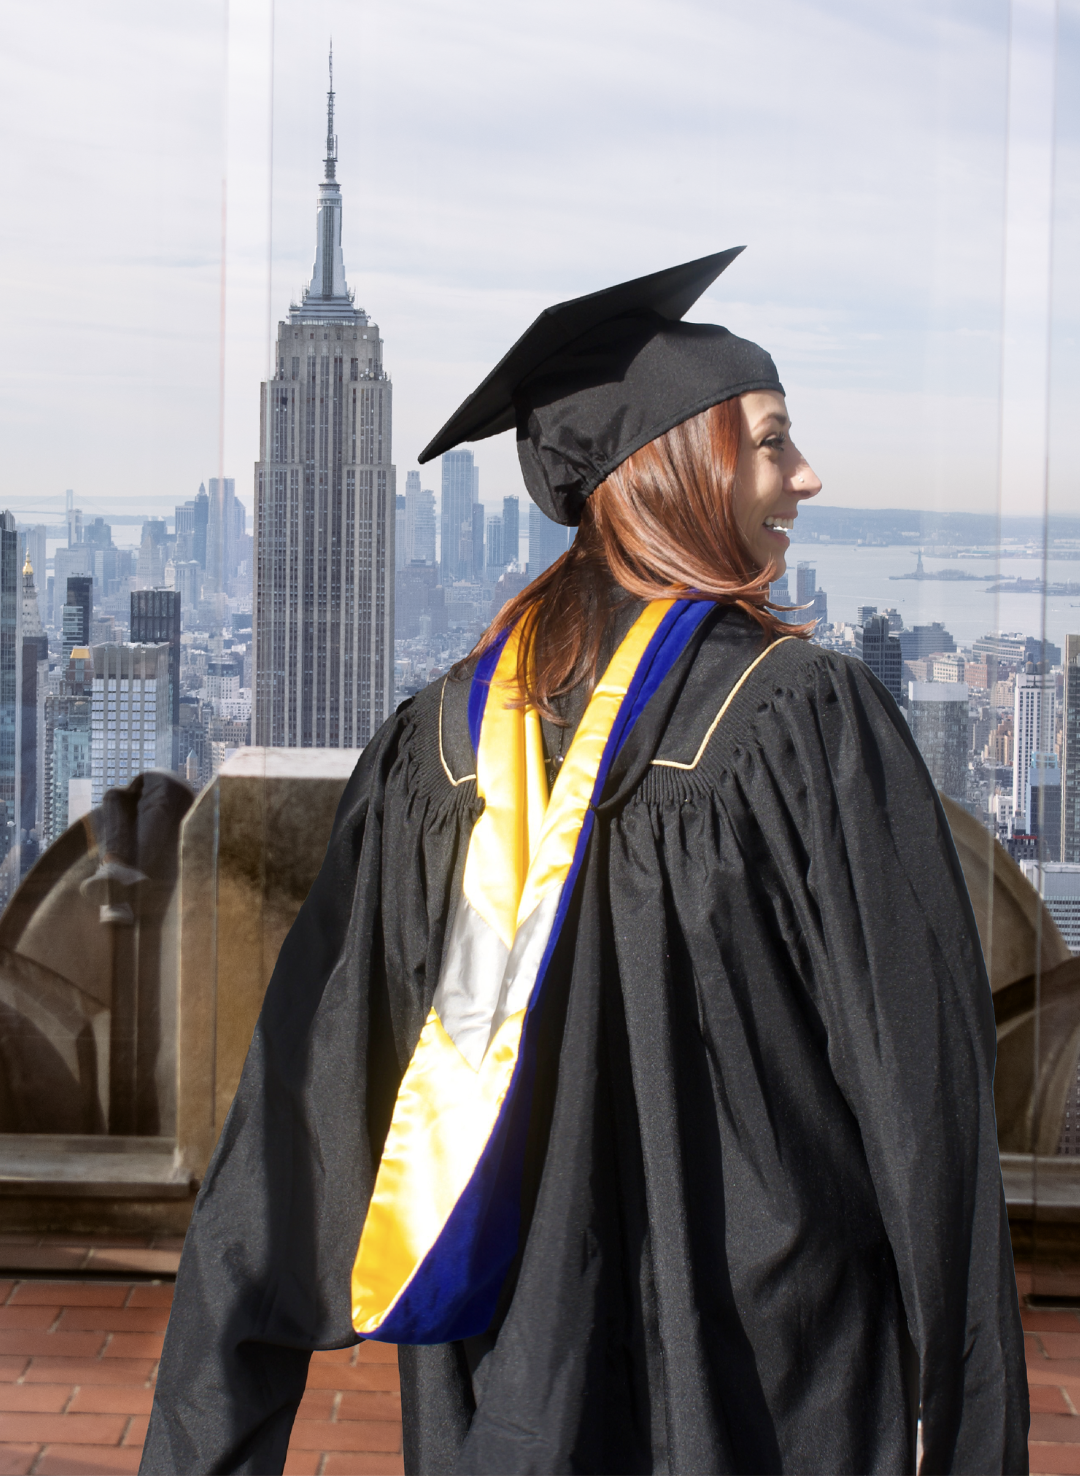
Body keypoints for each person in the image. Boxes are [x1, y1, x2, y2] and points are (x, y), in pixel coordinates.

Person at [142, 251, 1027, 1475]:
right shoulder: (807, 721)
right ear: (683, 468)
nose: (808, 475)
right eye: (772, 442)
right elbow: (927, 1108)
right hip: (776, 1393)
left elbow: (295, 1129)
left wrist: (206, 1447)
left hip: (509, 1395)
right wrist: (973, 1432)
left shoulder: (439, 744)